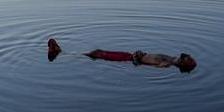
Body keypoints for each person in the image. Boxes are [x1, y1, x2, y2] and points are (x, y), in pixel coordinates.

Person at [47, 38, 197, 72]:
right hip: (128, 55)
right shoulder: (171, 58)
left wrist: (138, 58)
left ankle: (61, 53)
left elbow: (150, 64)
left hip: (128, 59)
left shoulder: (167, 64)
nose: (186, 55)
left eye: (187, 58)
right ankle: (61, 51)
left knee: (97, 54)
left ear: (183, 63)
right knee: (97, 52)